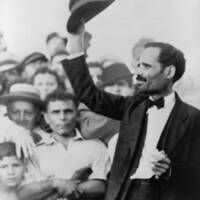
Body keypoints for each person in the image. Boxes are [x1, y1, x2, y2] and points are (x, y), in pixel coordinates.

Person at [61, 24, 200, 200]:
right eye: (138, 65)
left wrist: (171, 170)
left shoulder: (194, 118)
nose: (137, 73)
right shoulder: (131, 106)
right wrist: (75, 45)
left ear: (169, 72)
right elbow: (89, 94)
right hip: (123, 193)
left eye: (146, 66)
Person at [36, 91, 110, 199]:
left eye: (68, 111)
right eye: (56, 112)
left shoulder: (95, 146)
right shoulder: (37, 151)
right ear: (46, 117)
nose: (62, 117)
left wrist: (61, 190)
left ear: (77, 115)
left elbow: (100, 185)